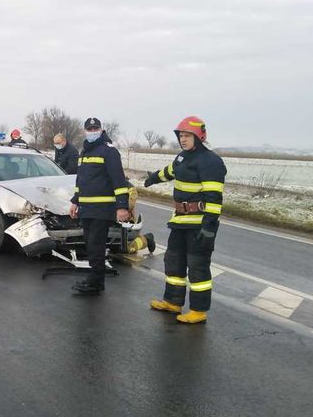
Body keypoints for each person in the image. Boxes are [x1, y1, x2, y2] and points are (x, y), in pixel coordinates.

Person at [145, 116, 227, 324]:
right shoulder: (182, 157)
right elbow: (170, 172)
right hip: (180, 221)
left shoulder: (210, 162)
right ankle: (173, 302)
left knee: (197, 266)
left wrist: (209, 228)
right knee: (174, 262)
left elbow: (214, 198)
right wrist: (153, 177)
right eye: (181, 136)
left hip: (199, 224)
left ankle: (198, 311)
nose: (183, 139)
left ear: (199, 136)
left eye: (187, 136)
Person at [69, 117, 131, 295]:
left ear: (101, 129)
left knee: (96, 245)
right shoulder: (85, 152)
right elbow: (81, 181)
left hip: (102, 209)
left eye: (95, 128)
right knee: (90, 244)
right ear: (85, 131)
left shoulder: (109, 151)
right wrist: (75, 200)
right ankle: (95, 279)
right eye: (89, 128)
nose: (92, 131)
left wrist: (122, 207)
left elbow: (119, 181)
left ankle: (95, 281)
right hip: (87, 209)